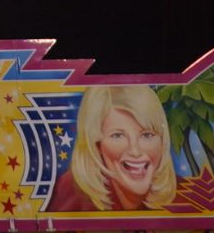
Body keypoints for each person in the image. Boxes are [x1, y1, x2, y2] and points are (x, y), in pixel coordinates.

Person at [44, 85, 179, 212]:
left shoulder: (186, 194)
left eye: (147, 135)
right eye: (118, 135)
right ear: (96, 144)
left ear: (162, 141)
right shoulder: (70, 195)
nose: (135, 151)